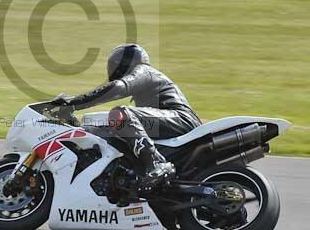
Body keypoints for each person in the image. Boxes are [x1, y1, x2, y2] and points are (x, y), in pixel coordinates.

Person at [50, 44, 201, 190]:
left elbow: (118, 88)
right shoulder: (146, 80)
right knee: (107, 127)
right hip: (172, 122)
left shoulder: (144, 71)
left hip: (181, 119)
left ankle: (156, 163)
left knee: (121, 114)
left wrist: (74, 103)